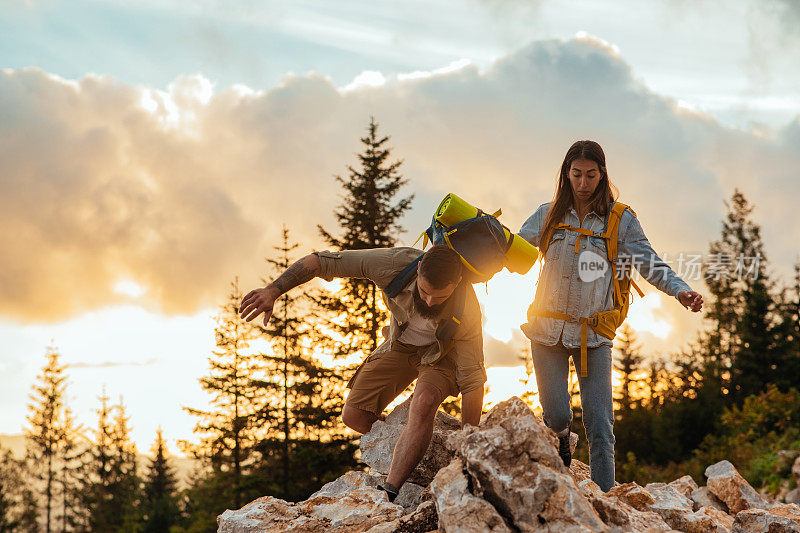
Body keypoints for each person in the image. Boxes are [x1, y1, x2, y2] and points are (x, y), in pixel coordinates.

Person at [518, 140, 703, 492]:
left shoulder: (621, 220)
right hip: (546, 333)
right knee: (556, 415)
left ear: (602, 175)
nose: (583, 183)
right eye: (576, 174)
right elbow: (511, 250)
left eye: (591, 174)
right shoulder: (547, 215)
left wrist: (680, 290)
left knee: (601, 427)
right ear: (566, 174)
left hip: (594, 337)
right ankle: (561, 441)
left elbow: (651, 264)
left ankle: (607, 503)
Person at [238, 244, 487, 501]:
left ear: (457, 282)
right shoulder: (393, 264)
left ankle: (389, 490)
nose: (430, 301)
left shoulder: (467, 310)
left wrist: (466, 454)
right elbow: (320, 262)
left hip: (441, 356)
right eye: (424, 291)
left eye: (440, 297)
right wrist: (272, 290)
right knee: (354, 416)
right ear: (420, 267)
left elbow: (472, 382)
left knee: (423, 403)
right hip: (400, 345)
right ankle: (411, 444)